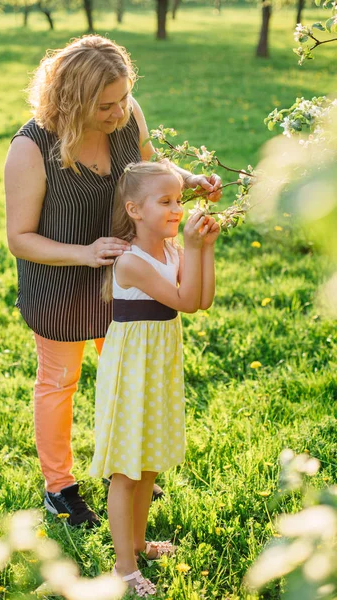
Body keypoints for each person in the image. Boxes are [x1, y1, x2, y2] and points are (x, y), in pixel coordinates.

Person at [4, 34, 222, 528]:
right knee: (60, 382)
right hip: (58, 282)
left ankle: (119, 468)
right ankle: (59, 487)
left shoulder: (127, 115)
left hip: (126, 275)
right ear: (73, 100)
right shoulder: (31, 146)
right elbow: (20, 238)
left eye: (125, 97)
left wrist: (187, 180)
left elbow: (151, 168)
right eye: (106, 104)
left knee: (122, 376)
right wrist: (83, 253)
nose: (120, 111)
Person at [90, 161, 220, 596]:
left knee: (146, 465)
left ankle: (140, 544)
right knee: (126, 471)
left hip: (158, 367)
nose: (176, 209)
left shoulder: (170, 252)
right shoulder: (130, 261)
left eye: (178, 201)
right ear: (134, 210)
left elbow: (201, 301)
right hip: (132, 371)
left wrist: (204, 249)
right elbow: (184, 300)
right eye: (165, 202)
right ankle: (124, 567)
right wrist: (190, 246)